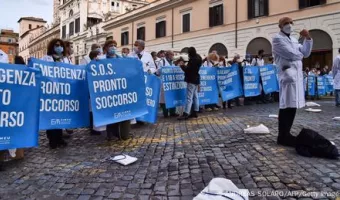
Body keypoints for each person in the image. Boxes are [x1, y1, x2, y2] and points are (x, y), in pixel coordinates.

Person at [272, 17, 313, 147]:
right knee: (286, 106)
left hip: (296, 77)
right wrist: (299, 55)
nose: (289, 25)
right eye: (285, 23)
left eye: (290, 23)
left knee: (292, 105)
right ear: (280, 26)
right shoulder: (277, 39)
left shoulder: (294, 39)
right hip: (287, 77)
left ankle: (287, 134)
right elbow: (291, 54)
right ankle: (282, 135)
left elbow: (305, 53)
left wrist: (308, 38)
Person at [41, 39, 68, 149]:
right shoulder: (45, 59)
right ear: (52, 47)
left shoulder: (66, 60)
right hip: (50, 92)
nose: (59, 47)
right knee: (51, 116)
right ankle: (52, 139)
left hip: (62, 92)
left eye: (61, 45)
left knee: (60, 116)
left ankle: (60, 138)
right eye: (57, 45)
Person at [178, 47, 202, 120]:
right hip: (196, 79)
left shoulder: (192, 60)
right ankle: (195, 111)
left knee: (189, 97)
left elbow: (187, 70)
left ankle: (186, 113)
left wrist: (182, 65)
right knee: (195, 96)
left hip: (191, 79)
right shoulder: (198, 58)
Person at [157, 51, 179, 118]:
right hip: (164, 82)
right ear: (168, 55)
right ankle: (165, 113)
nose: (173, 56)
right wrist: (165, 70)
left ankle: (173, 112)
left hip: (172, 82)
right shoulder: (161, 62)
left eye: (173, 55)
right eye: (172, 55)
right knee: (164, 98)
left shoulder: (173, 62)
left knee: (172, 97)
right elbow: (158, 72)